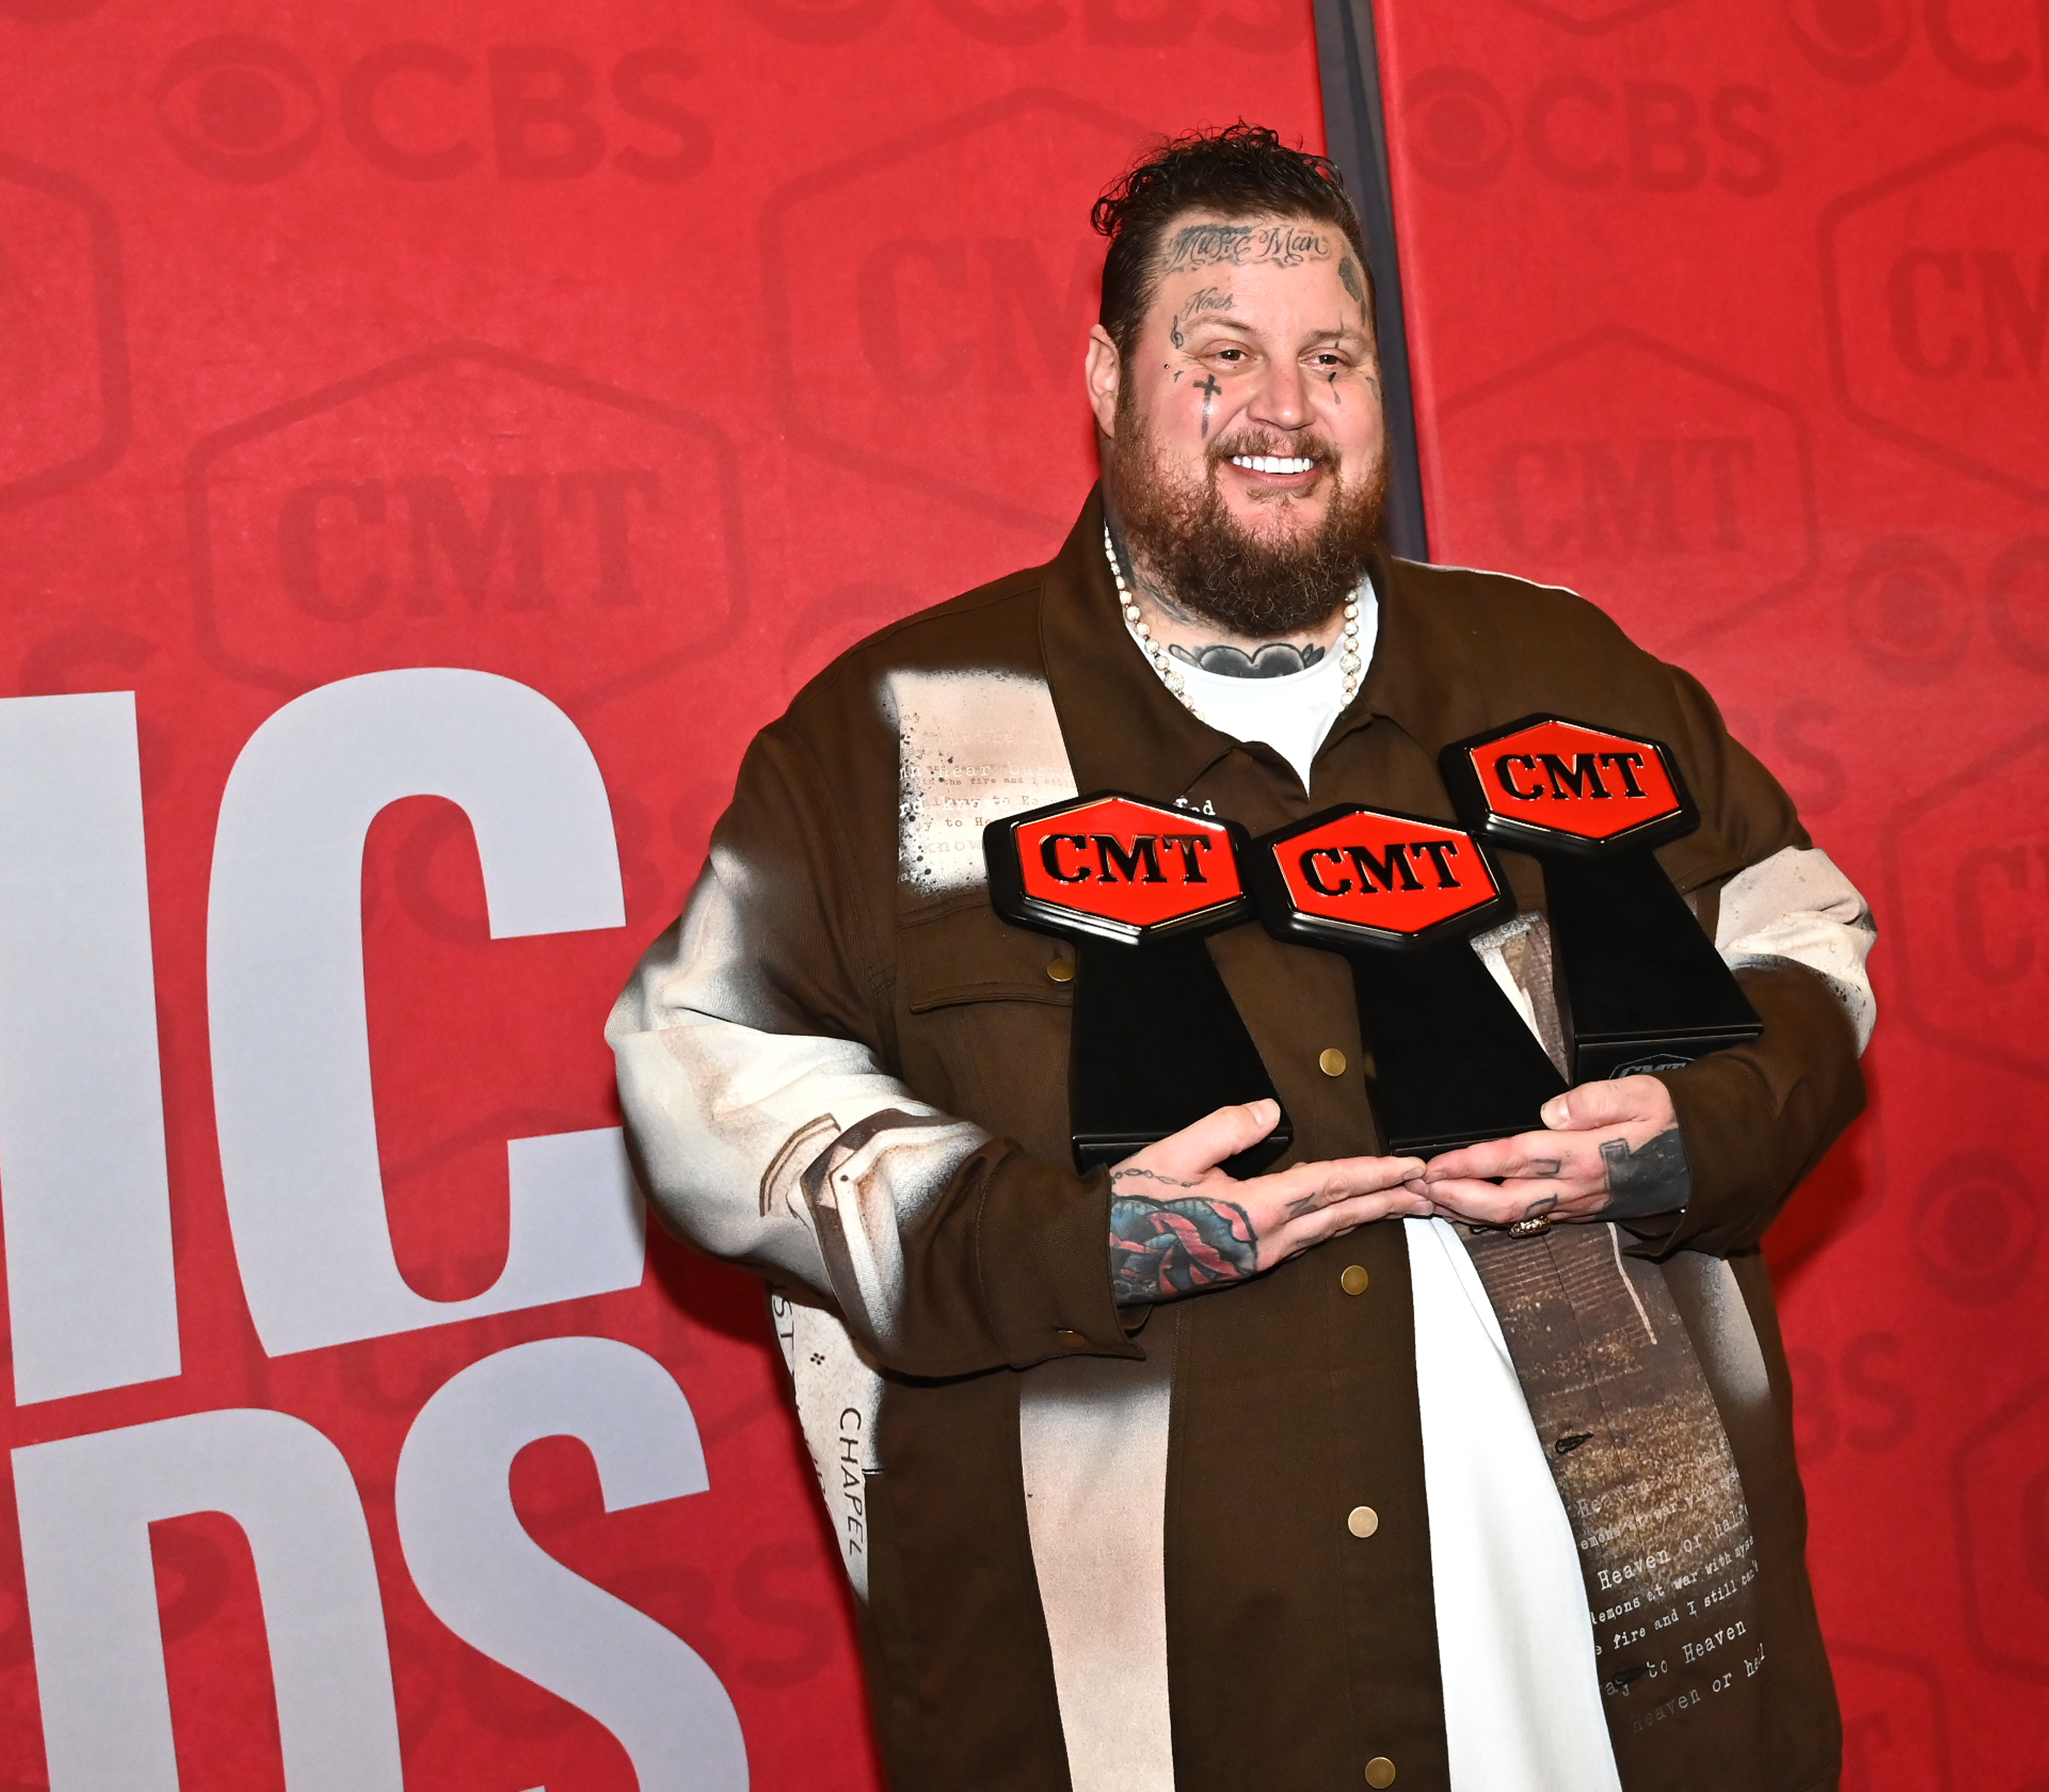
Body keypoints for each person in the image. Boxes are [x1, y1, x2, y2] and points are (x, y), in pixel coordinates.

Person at [610, 124, 1874, 1792]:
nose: (1283, 407)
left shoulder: (1564, 667)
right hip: (1151, 1713)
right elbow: (698, 1070)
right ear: (1107, 377)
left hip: (1632, 1666)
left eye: (1329, 358)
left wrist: (1692, 1135)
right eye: (1221, 356)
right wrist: (1071, 1243)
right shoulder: (905, 735)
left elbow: (1805, 931)